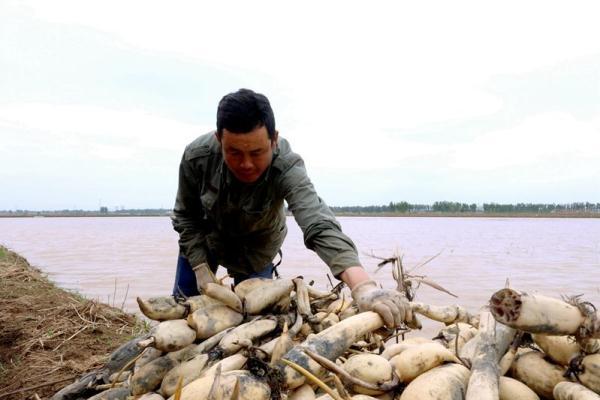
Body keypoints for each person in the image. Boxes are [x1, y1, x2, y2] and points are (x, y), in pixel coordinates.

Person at [171, 88, 409, 328]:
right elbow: (186, 217)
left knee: (252, 323)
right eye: (234, 152)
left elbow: (317, 222)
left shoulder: (286, 165)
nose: (246, 164)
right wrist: (200, 267)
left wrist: (363, 286)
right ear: (219, 139)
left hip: (257, 250)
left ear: (274, 140)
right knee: (183, 313)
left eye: (257, 152)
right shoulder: (197, 157)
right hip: (202, 243)